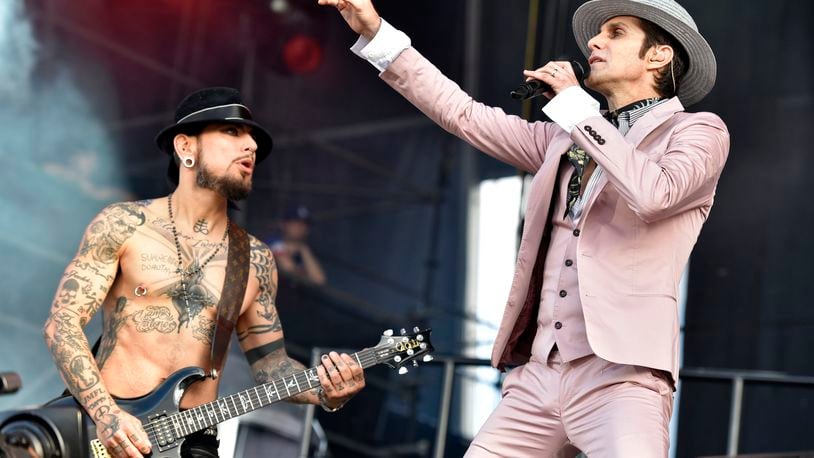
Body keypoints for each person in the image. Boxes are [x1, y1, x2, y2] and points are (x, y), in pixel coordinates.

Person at [319, 0, 729, 455]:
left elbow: (655, 193)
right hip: (539, 374)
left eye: (615, 33)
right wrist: (377, 34)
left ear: (658, 55)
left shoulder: (697, 132)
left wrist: (576, 108)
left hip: (623, 376)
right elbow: (465, 115)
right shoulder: (562, 140)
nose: (594, 41)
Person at [42, 87, 365, 458]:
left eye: (252, 138)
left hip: (192, 443)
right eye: (232, 132)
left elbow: (270, 365)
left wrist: (326, 390)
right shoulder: (124, 224)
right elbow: (62, 323)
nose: (251, 146)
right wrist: (107, 414)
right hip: (106, 429)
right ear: (186, 147)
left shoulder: (255, 259)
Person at [270, 205, 327, 285]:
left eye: (305, 224)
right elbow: (288, 269)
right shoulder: (274, 242)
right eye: (295, 223)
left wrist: (303, 249)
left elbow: (319, 280)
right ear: (284, 224)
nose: (301, 228)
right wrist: (305, 275)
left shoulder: (303, 250)